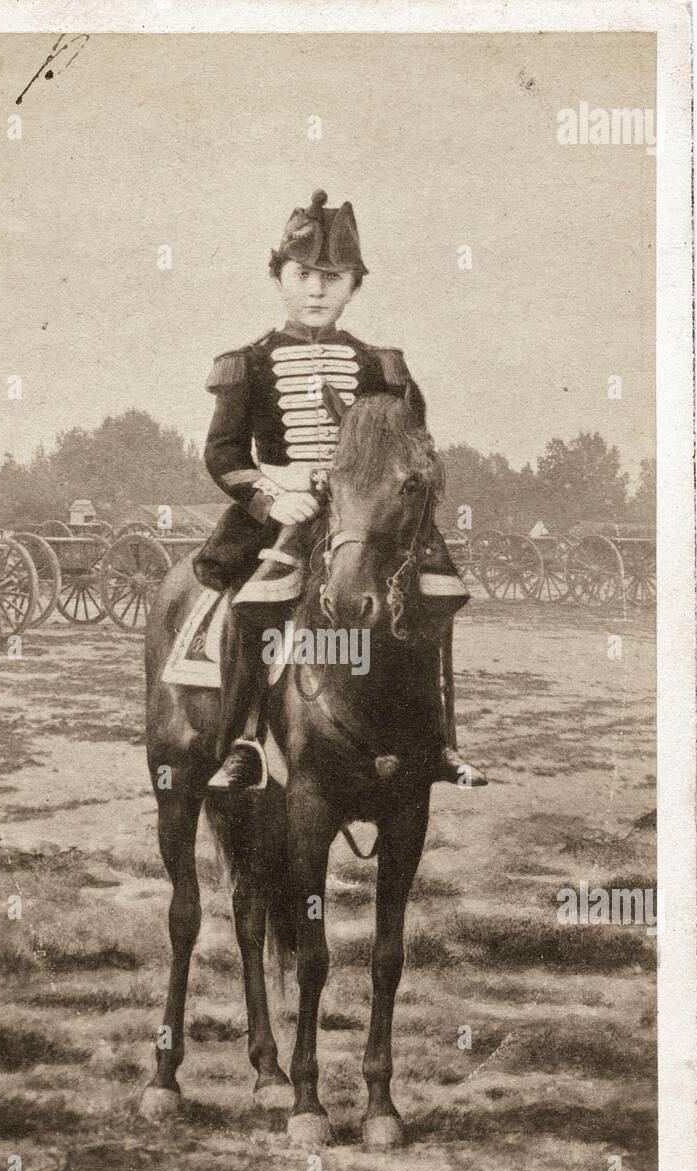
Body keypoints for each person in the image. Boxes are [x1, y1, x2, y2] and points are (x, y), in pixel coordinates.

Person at [192, 189, 487, 792]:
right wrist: (271, 496)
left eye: (334, 277)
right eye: (303, 274)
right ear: (279, 277)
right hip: (283, 512)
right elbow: (222, 454)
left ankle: (439, 741)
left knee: (434, 595)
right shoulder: (246, 363)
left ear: (355, 286)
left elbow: (414, 445)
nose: (318, 290)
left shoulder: (383, 366)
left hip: (367, 517)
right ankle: (245, 739)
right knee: (254, 607)